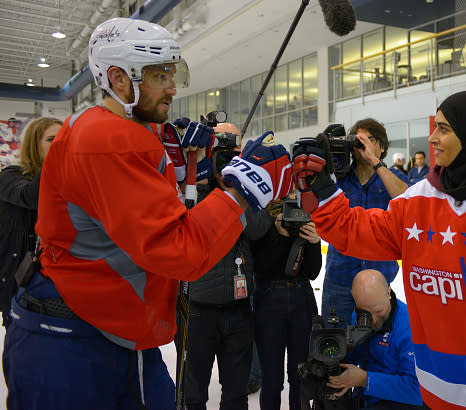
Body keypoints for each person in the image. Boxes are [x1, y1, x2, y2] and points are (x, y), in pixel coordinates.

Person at [2, 17, 292, 410]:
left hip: (97, 326)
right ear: (120, 79)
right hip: (75, 342)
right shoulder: (110, 140)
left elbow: (136, 217)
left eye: (174, 73)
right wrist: (239, 194)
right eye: (160, 75)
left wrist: (184, 173)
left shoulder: (110, 126)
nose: (173, 87)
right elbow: (179, 252)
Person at [293, 90, 466, 409]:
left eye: (444, 128)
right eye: (435, 126)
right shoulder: (419, 197)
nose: (432, 137)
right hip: (439, 388)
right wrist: (323, 190)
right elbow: (354, 231)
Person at [178, 122, 271, 410]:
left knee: (235, 395)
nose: (226, 162)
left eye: (233, 155)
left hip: (238, 310)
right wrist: (201, 182)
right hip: (196, 310)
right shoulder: (194, 186)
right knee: (193, 394)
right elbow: (184, 227)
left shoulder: (245, 189)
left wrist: (238, 188)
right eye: (221, 154)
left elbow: (258, 230)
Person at [321, 118, 408, 328]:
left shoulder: (392, 177)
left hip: (378, 282)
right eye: (359, 140)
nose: (364, 145)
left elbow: (408, 203)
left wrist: (375, 162)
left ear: (383, 146)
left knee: (376, 350)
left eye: (370, 139)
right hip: (340, 279)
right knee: (335, 345)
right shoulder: (337, 181)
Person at [250, 196, 322, 410]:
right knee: (271, 378)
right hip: (270, 300)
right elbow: (261, 269)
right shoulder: (262, 220)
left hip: (302, 298)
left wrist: (315, 242)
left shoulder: (306, 222)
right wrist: (279, 236)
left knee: (300, 375)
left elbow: (312, 272)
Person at [327, 269, 425, 410]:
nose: (372, 320)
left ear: (388, 293)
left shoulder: (410, 327)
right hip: (366, 396)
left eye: (379, 311)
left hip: (400, 402)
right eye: (365, 313)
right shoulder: (358, 316)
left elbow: (417, 390)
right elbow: (352, 356)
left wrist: (365, 379)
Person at [0, 117, 62, 328]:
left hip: (55, 283)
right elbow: (32, 196)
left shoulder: (64, 183)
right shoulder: (10, 176)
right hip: (19, 283)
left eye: (63, 140)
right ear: (34, 145)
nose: (58, 145)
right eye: (52, 140)